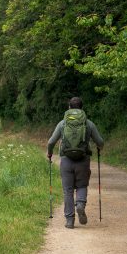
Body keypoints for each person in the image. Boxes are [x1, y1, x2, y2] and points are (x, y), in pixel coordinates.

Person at [47, 97, 104, 228]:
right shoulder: (88, 123)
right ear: (82, 108)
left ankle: (69, 220)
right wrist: (99, 148)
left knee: (67, 190)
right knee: (82, 186)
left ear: (69, 108)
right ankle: (80, 204)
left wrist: (49, 153)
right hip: (83, 160)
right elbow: (100, 142)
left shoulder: (63, 123)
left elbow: (51, 142)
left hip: (66, 161)